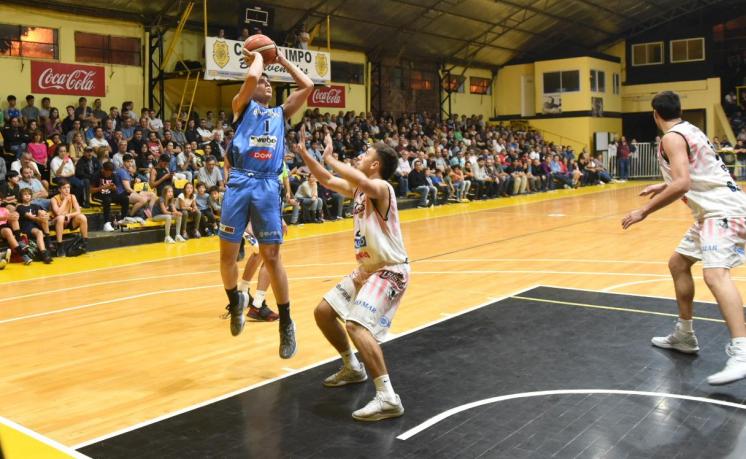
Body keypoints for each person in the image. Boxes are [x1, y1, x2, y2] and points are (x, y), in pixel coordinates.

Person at [622, 90, 746, 385]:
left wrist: (645, 211)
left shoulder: (670, 138)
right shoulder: (690, 129)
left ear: (655, 114)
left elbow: (682, 182)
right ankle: (685, 335)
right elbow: (694, 174)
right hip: (713, 211)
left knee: (715, 275)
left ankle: (742, 352)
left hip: (721, 212)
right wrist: (659, 185)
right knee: (678, 263)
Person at [298, 128, 408, 421]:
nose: (360, 156)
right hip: (367, 269)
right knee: (323, 312)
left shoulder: (383, 188)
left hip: (390, 270)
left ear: (375, 165)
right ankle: (352, 366)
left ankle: (387, 397)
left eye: (366, 154)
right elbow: (326, 179)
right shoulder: (360, 190)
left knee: (357, 324)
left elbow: (350, 176)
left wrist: (331, 158)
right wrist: (306, 155)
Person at [219, 43, 312, 361]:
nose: (267, 83)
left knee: (272, 257)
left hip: (268, 186)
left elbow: (307, 86)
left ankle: (286, 322)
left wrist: (281, 58)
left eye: (270, 83)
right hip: (240, 181)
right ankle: (236, 303)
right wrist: (258, 55)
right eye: (263, 81)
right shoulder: (240, 106)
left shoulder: (280, 113)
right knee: (227, 256)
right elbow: (252, 77)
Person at [50, 179, 88, 257]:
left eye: (68, 187)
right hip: (56, 223)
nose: (67, 190)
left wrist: (70, 215)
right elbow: (58, 213)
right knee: (60, 218)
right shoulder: (54, 199)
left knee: (82, 217)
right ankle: (59, 246)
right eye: (64, 188)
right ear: (59, 189)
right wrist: (65, 201)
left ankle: (84, 243)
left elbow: (78, 211)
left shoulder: (72, 196)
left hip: (68, 220)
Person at [17, 188, 53, 263]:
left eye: (29, 195)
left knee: (43, 215)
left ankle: (46, 244)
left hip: (35, 225)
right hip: (26, 226)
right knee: (39, 232)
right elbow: (30, 217)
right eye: (25, 195)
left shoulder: (35, 206)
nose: (27, 196)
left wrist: (45, 215)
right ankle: (45, 252)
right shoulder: (20, 207)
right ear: (21, 197)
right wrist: (42, 219)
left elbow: (41, 212)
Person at [92, 162, 129, 231]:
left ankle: (122, 220)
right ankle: (106, 223)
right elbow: (91, 190)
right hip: (99, 195)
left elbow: (116, 188)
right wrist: (102, 187)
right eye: (107, 173)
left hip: (110, 194)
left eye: (110, 172)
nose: (109, 174)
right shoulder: (96, 175)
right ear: (103, 170)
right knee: (107, 199)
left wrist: (114, 187)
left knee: (125, 199)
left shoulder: (113, 175)